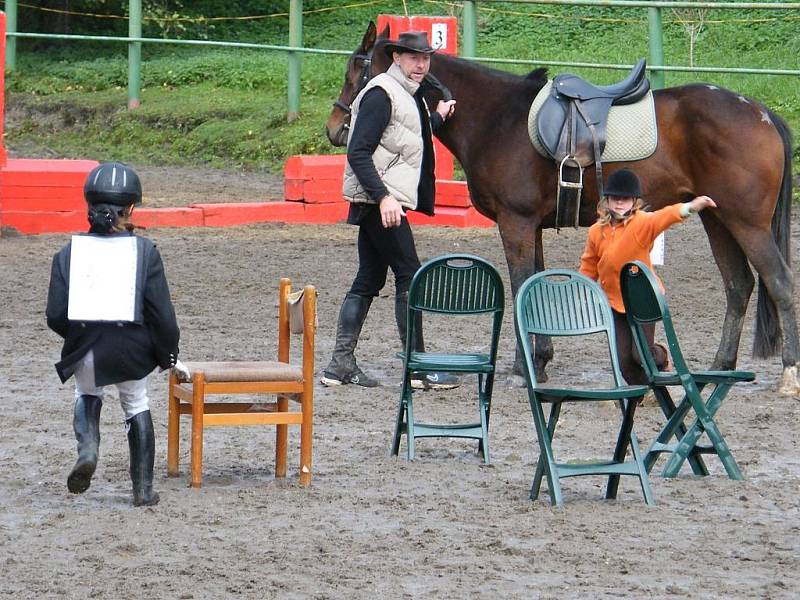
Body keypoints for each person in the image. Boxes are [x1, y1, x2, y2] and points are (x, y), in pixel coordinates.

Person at [321, 31, 460, 390]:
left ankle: (339, 365)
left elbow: (405, 140)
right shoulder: (382, 94)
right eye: (414, 58)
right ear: (396, 57)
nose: (421, 65)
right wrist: (384, 197)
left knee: (369, 278)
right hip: (380, 203)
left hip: (379, 202)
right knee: (410, 273)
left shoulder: (406, 96)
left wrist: (438, 118)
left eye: (426, 59)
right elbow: (358, 151)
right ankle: (417, 367)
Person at [46, 162, 190, 507]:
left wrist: (79, 338)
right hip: (131, 350)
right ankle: (142, 490)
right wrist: (167, 356)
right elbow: (163, 318)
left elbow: (54, 314)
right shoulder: (145, 253)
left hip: (88, 346)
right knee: (135, 402)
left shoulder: (67, 254)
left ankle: (88, 449)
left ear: (89, 208)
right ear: (131, 210)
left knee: (87, 392)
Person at [579, 168, 717, 385]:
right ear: (607, 201)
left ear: (634, 201)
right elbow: (589, 264)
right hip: (615, 302)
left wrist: (691, 207)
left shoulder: (642, 223)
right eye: (615, 198)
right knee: (624, 362)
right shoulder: (596, 231)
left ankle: (661, 356)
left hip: (643, 299)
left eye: (625, 199)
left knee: (640, 354)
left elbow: (665, 216)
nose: (619, 203)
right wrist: (583, 287)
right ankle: (643, 391)